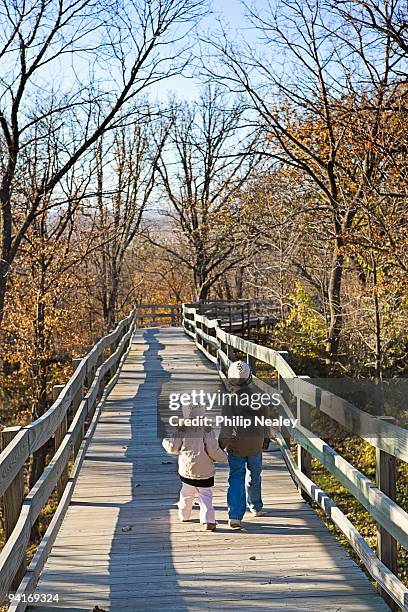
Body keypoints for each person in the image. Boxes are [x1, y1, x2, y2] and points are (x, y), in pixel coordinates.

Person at [219, 360, 270, 530]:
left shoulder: (230, 399)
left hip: (236, 446)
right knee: (255, 474)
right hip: (255, 443)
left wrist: (220, 446)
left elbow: (226, 427)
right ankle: (255, 506)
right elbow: (266, 421)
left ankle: (235, 516)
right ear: (249, 377)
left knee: (236, 478)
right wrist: (265, 441)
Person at [162, 405, 227, 531]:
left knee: (186, 493)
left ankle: (184, 515)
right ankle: (208, 520)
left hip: (187, 470)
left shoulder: (182, 429)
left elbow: (172, 447)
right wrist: (224, 457)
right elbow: (213, 450)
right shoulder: (207, 429)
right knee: (205, 495)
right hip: (205, 471)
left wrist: (165, 441)